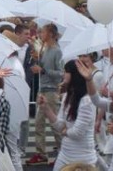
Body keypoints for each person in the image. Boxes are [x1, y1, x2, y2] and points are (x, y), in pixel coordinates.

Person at [37, 61, 97, 170]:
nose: (63, 74)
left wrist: (65, 132)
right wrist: (46, 108)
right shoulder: (67, 96)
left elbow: (77, 133)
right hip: (65, 153)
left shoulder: (86, 101)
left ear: (74, 74)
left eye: (66, 71)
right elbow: (59, 124)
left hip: (82, 158)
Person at [28, 23, 64, 165]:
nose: (40, 34)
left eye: (42, 32)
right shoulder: (45, 48)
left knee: (53, 123)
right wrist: (37, 60)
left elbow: (61, 74)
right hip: (42, 90)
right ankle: (41, 153)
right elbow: (43, 67)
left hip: (51, 91)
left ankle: (62, 151)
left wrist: (42, 70)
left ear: (50, 34)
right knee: (39, 123)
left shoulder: (57, 51)